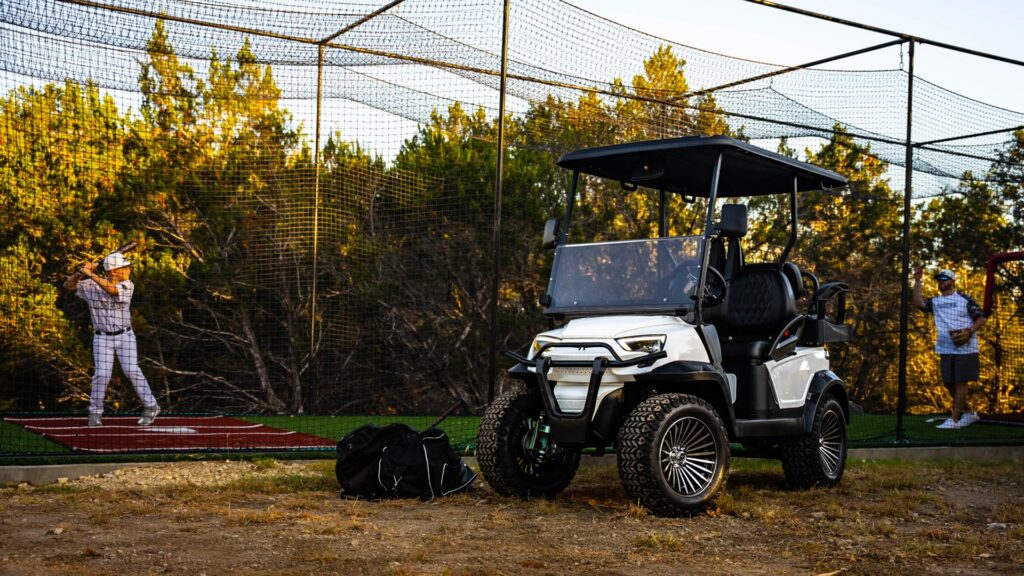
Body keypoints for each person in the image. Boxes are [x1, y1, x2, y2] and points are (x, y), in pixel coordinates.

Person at [64, 251, 160, 427]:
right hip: (102, 338)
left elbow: (112, 290)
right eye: (125, 267)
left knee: (131, 370)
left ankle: (151, 406)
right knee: (101, 375)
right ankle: (94, 413)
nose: (129, 270)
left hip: (125, 337)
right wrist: (80, 273)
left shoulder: (127, 285)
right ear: (114, 271)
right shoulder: (90, 286)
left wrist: (90, 274)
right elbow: (68, 286)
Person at [912, 267, 986, 429]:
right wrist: (917, 281)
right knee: (948, 383)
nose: (941, 282)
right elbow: (918, 303)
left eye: (944, 279)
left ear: (952, 281)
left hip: (965, 347)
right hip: (945, 347)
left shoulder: (964, 299)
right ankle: (970, 413)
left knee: (961, 382)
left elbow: (981, 318)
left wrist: (969, 331)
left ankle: (954, 420)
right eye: (939, 279)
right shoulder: (936, 302)